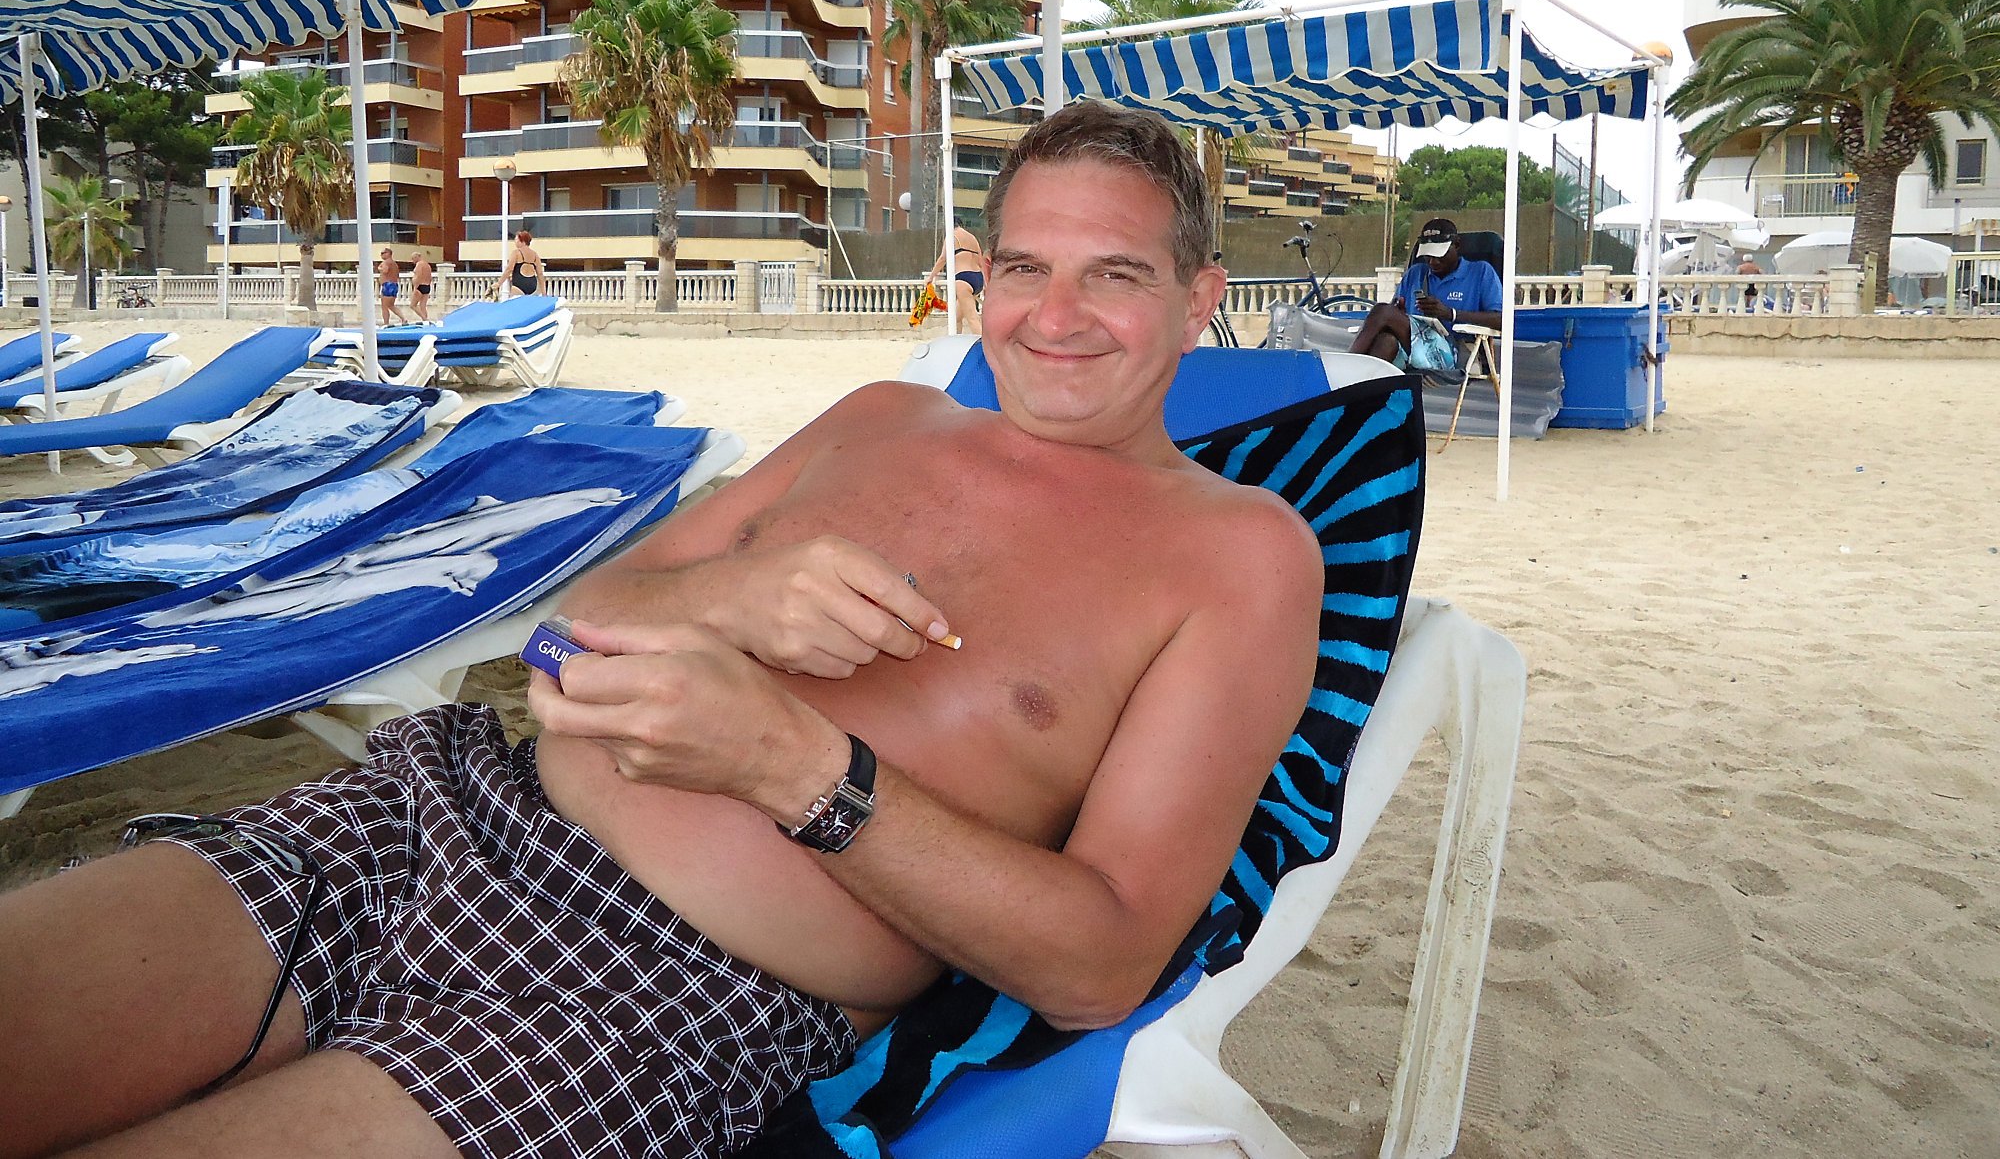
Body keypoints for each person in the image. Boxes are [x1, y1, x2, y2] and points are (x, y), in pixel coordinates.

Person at [0, 101, 1323, 1159]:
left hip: (662, 1003)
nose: (1055, 316)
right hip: (434, 815)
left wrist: (795, 769)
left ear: (1198, 297)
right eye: (1024, 268)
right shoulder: (880, 418)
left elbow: (1099, 964)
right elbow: (560, 635)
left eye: (1114, 275)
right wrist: (720, 600)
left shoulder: (1238, 556)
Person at [1352, 216, 1504, 370]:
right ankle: (1362, 383)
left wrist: (1451, 314)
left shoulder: (1480, 272)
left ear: (1457, 245)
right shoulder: (1416, 273)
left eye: (1439, 254)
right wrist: (1399, 312)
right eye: (1428, 255)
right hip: (1413, 347)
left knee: (1382, 311)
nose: (1432, 261)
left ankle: (1348, 366)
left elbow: (1501, 320)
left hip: (1452, 352)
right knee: (1385, 341)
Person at [923, 222, 985, 324]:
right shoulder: (972, 237)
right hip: (978, 278)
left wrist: (931, 276)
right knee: (956, 318)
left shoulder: (952, 236)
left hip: (963, 278)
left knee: (972, 318)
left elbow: (943, 258)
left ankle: (983, 335)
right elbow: (981, 262)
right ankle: (957, 334)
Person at [503, 228, 543, 299]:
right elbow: (540, 274)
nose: (515, 241)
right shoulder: (535, 255)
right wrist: (544, 292)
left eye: (516, 239)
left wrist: (499, 283)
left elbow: (509, 269)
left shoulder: (516, 253)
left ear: (522, 241)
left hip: (519, 284)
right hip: (532, 285)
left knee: (515, 304)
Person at [374, 247, 409, 327]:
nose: (381, 255)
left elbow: (385, 271)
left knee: (384, 306)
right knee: (391, 305)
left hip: (388, 285)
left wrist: (379, 268)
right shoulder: (394, 264)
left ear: (389, 254)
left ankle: (386, 323)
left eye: (383, 253)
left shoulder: (386, 262)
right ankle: (403, 318)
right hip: (394, 285)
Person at [410, 254, 435, 322]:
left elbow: (418, 276)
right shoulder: (427, 265)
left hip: (420, 286)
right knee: (423, 306)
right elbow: (430, 277)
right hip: (427, 286)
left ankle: (425, 319)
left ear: (416, 257)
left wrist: (415, 288)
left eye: (413, 258)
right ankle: (425, 320)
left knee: (413, 305)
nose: (412, 261)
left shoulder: (419, 264)